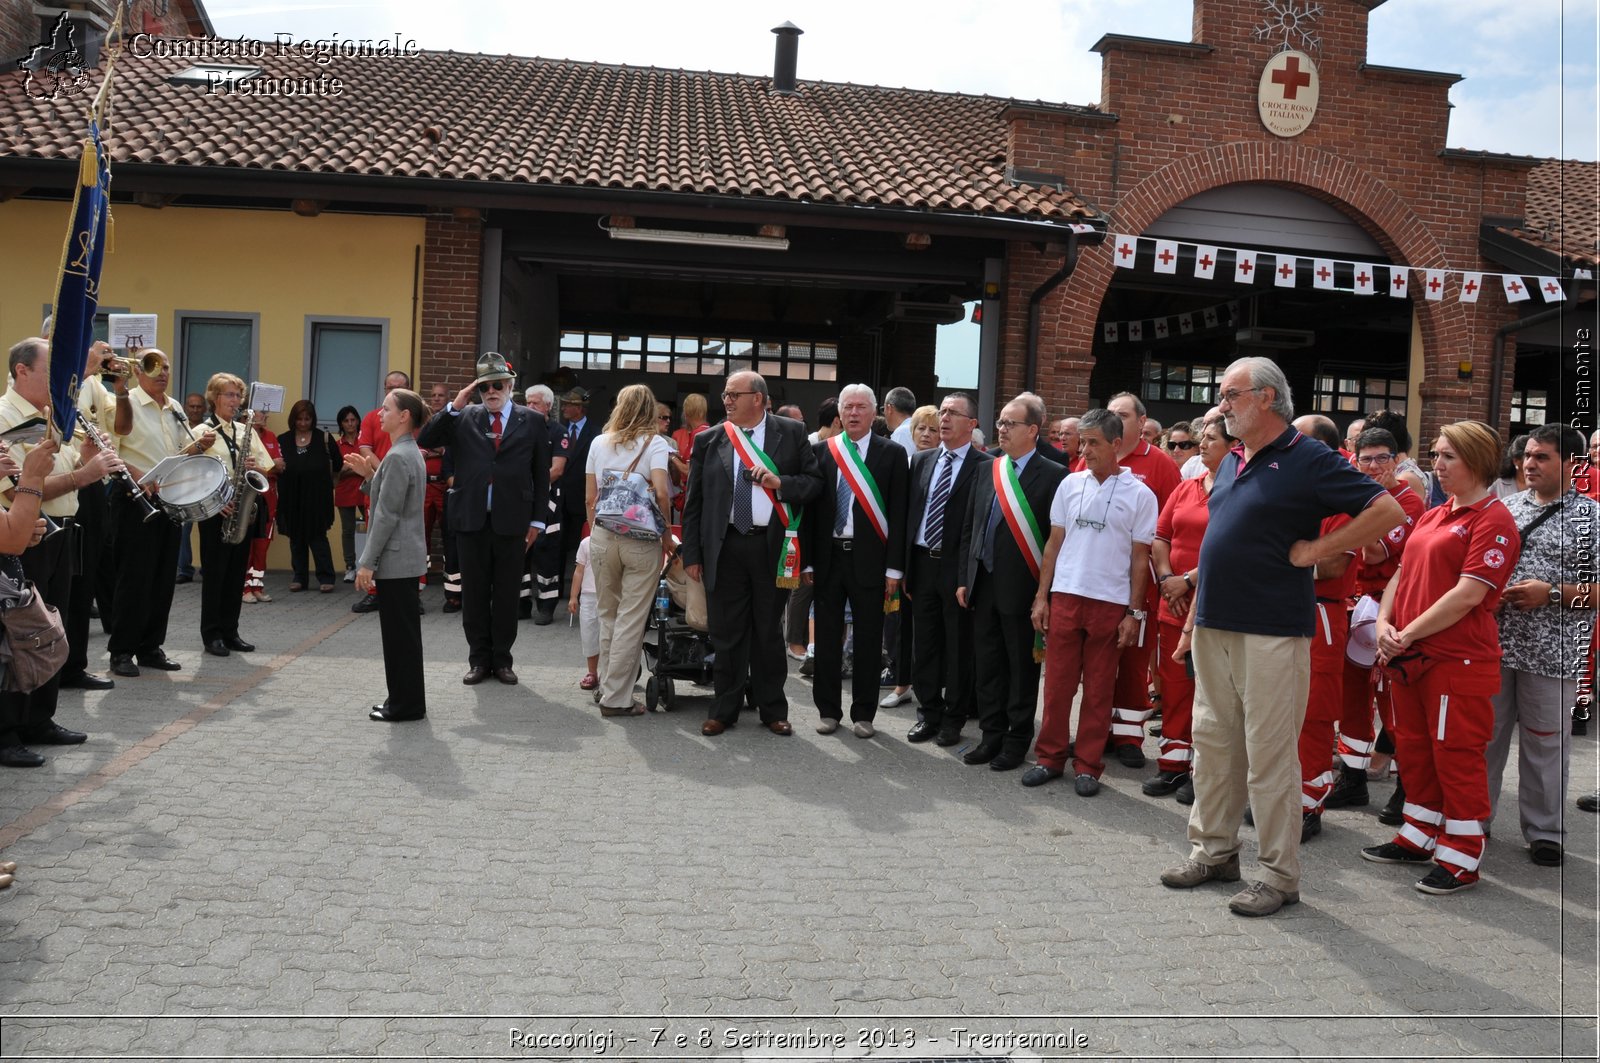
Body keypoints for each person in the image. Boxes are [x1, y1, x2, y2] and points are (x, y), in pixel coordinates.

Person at [1159, 357, 1403, 917]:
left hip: (1271, 631)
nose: (1222, 405)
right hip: (1216, 625)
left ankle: (1279, 876)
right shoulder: (1235, 459)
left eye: (1231, 394)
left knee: (1269, 755)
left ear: (1267, 398)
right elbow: (1227, 544)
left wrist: (1317, 553)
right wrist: (1195, 611)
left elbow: (1385, 509)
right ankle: (1214, 852)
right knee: (1214, 746)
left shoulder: (1308, 456)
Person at [1362, 420, 1520, 895]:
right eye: (1436, 454)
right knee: (1413, 747)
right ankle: (1419, 833)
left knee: (1457, 757)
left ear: (1476, 460)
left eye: (1448, 455)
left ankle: (1462, 856)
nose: (1438, 464)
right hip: (1412, 655)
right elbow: (1401, 574)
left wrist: (1403, 633)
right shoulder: (1435, 514)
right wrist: (1385, 624)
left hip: (1457, 661)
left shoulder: (1493, 519)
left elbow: (1468, 594)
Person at [0, 338, 120, 766]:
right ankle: (7, 730)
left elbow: (66, 470)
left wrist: (87, 458)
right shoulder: (5, 417)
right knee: (19, 636)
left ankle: (40, 719)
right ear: (21, 372)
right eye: (51, 371)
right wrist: (83, 476)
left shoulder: (52, 416)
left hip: (60, 531)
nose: (60, 381)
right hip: (24, 535)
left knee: (53, 627)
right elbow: (18, 489)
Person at [682, 371, 822, 737]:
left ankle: (772, 708)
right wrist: (693, 553)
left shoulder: (790, 434)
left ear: (757, 398)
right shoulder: (710, 439)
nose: (725, 400)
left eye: (733, 394)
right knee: (726, 634)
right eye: (725, 394)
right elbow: (694, 503)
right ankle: (723, 710)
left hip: (771, 547)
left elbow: (814, 484)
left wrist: (781, 484)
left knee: (767, 633)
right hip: (725, 547)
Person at [1025, 408, 1157, 793]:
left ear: (1117, 444)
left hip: (1110, 602)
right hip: (1066, 596)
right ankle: (1049, 758)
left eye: (1093, 443)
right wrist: (1042, 597)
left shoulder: (1140, 494)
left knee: (1099, 690)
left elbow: (1140, 558)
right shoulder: (1069, 484)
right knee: (1057, 687)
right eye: (1082, 442)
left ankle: (1087, 765)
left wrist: (1133, 612)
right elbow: (1054, 544)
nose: (1084, 450)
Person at [1484, 424, 1596, 868]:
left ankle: (1546, 832)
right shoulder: (1504, 509)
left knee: (1546, 746)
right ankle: (1475, 821)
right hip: (1494, 645)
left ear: (1572, 463)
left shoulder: (1591, 520)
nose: (1529, 464)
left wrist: (1549, 592)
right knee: (1485, 739)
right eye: (1526, 456)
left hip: (1555, 654)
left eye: (1542, 457)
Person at [417, 353, 551, 686]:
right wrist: (456, 404)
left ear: (510, 385)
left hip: (512, 521)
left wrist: (537, 522)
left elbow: (541, 475)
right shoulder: (464, 416)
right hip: (470, 519)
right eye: (484, 386)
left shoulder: (531, 421)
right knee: (474, 594)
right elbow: (427, 439)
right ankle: (478, 660)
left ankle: (502, 661)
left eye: (498, 385)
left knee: (507, 595)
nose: (491, 391)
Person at [956, 394, 1066, 767]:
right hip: (983, 584)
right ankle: (991, 736)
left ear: (1033, 430)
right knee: (987, 665)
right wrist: (964, 578)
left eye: (1010, 423)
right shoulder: (989, 468)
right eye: (1000, 422)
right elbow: (970, 527)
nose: (1001, 429)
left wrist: (1044, 594)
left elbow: (1056, 538)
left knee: (1020, 668)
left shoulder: (1054, 475)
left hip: (1022, 589)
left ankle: (1017, 741)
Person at [1327, 427, 1425, 817]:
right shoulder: (1356, 492)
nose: (1372, 467)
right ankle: (1352, 780)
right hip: (1356, 606)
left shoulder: (1408, 501)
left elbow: (1373, 549)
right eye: (1364, 459)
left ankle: (1408, 787)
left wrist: (1363, 510)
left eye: (1381, 458)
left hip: (1391, 609)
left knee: (1393, 701)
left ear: (1397, 459)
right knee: (1352, 699)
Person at [805, 384, 908, 738]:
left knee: (867, 640)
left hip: (871, 561)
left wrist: (895, 568)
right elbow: (811, 513)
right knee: (828, 640)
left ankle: (864, 714)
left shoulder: (892, 454)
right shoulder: (822, 452)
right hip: (829, 557)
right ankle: (828, 711)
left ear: (874, 412)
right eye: (848, 407)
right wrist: (806, 563)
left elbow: (899, 513)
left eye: (861, 408)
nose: (853, 414)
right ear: (840, 413)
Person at [1146, 414, 1233, 802]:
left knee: (1211, 693)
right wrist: (1167, 580)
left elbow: (1229, 549)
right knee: (1177, 688)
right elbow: (1161, 536)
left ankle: (1205, 773)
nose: (1202, 445)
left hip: (1215, 604)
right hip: (1174, 603)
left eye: (1211, 439)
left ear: (1234, 447)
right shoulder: (1186, 488)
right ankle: (1172, 765)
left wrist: (1189, 581)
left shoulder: (1238, 490)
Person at [108, 348, 207, 678]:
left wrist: (199, 446)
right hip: (134, 499)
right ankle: (121, 650)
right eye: (154, 367)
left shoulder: (175, 407)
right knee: (133, 577)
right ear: (138, 371)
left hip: (168, 501)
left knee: (163, 578)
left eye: (166, 366)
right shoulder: (125, 403)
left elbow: (179, 451)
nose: (163, 372)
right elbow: (111, 452)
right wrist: (139, 475)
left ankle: (150, 647)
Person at [1288, 414, 1362, 841]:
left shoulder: (1340, 491)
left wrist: (1283, 561)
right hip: (1286, 606)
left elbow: (1335, 564)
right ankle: (1282, 797)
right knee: (1280, 711)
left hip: (1322, 614)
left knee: (1313, 714)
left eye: (1298, 439)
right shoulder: (1296, 486)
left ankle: (1309, 803)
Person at [904, 394, 992, 745]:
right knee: (923, 644)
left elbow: (979, 524)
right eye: (941, 411)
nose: (943, 418)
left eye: (953, 413)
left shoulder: (984, 466)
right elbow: (910, 516)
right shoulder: (921, 461)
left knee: (958, 647)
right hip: (922, 563)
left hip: (957, 570)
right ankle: (928, 713)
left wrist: (966, 576)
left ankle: (954, 718)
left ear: (971, 425)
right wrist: (905, 568)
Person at [584, 384, 674, 716]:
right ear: (650, 410)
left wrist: (596, 530)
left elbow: (590, 498)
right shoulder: (656, 443)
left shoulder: (598, 442)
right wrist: (665, 533)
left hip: (603, 536)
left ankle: (608, 686)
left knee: (608, 615)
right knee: (632, 620)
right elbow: (662, 492)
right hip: (642, 539)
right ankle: (616, 699)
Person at [1103, 392, 1182, 767]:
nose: (1115, 420)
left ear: (1142, 420)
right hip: (1097, 579)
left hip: (1141, 582)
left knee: (1134, 661)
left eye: (1123, 415)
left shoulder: (1162, 465)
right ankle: (1096, 729)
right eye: (1111, 414)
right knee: (1097, 661)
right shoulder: (1094, 454)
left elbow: (1171, 527)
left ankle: (1129, 738)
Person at [356, 388, 429, 722]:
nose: (379, 413)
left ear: (404, 416)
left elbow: (386, 514)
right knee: (403, 637)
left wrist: (366, 563)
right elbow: (392, 496)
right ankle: (402, 700)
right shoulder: (404, 451)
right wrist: (370, 475)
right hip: (404, 557)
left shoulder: (400, 455)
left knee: (400, 639)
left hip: (397, 558)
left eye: (386, 408)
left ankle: (405, 705)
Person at [191, 374, 272, 657]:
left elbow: (266, 469)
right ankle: (211, 634)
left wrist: (254, 466)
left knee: (237, 573)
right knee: (215, 575)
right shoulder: (203, 430)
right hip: (215, 511)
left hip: (241, 509)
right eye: (229, 395)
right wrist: (216, 502)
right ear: (214, 397)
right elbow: (195, 474)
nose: (235, 401)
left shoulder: (244, 430)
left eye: (238, 396)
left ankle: (230, 631)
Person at [881, 404, 941, 709]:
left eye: (933, 429)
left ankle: (933, 687)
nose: (926, 435)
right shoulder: (904, 462)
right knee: (900, 624)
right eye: (921, 428)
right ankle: (902, 683)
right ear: (911, 431)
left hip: (934, 557)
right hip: (904, 557)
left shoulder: (941, 465)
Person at [351, 371, 413, 612]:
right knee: (377, 535)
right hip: (378, 484)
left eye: (399, 387)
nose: (393, 391)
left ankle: (412, 593)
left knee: (408, 538)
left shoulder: (413, 417)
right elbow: (365, 448)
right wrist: (382, 473)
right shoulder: (372, 417)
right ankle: (375, 591)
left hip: (404, 487)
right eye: (389, 388)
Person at [276, 399, 339, 593]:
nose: (303, 423)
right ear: (293, 419)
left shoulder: (324, 439)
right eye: (299, 419)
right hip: (291, 497)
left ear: (313, 420)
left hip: (317, 498)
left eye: (307, 419)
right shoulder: (283, 440)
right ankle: (299, 577)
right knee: (296, 539)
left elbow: (338, 464)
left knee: (318, 537)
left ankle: (326, 576)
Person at [522, 383, 570, 623]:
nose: (529, 406)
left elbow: (558, 468)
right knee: (519, 552)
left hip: (548, 501)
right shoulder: (518, 427)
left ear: (548, 406)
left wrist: (532, 486)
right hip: (521, 500)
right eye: (527, 402)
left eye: (535, 403)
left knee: (546, 552)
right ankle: (520, 604)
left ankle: (546, 606)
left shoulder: (558, 431)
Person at [557, 386, 599, 599]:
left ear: (579, 408)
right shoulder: (558, 429)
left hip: (582, 499)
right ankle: (555, 591)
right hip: (557, 500)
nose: (563, 407)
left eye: (568, 404)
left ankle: (581, 590)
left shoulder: (596, 433)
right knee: (556, 547)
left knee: (580, 546)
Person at [242, 408, 284, 605]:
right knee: (246, 545)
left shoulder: (270, 436)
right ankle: (244, 587)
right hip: (248, 497)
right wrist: (267, 467)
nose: (266, 416)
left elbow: (280, 466)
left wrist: (262, 467)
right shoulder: (241, 432)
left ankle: (257, 585)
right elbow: (245, 467)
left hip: (269, 498)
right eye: (261, 412)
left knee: (262, 545)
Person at [176, 390, 208, 583]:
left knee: (207, 530)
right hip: (184, 483)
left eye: (199, 406)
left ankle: (207, 568)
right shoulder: (179, 427)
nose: (195, 410)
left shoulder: (209, 428)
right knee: (183, 529)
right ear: (185, 407)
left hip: (205, 483)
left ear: (204, 408)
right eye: (191, 406)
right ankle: (185, 570)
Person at [332, 406, 365, 583]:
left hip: (365, 489)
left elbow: (370, 467)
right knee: (347, 530)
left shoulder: (365, 441)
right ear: (341, 424)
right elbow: (336, 473)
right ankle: (350, 566)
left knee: (373, 526)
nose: (350, 423)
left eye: (353, 420)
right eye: (346, 421)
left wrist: (349, 468)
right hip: (345, 491)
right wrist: (355, 469)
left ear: (358, 421)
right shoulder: (337, 446)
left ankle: (369, 565)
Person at [422, 384, 451, 579]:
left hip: (444, 485)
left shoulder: (452, 421)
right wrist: (438, 450)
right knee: (421, 533)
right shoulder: (424, 421)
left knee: (449, 532)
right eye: (433, 396)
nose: (436, 399)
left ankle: (450, 573)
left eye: (441, 396)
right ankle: (421, 573)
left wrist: (438, 450)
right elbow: (420, 449)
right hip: (424, 486)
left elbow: (450, 451)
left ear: (448, 398)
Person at [569, 533, 599, 691]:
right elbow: (578, 571)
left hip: (610, 596)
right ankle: (592, 672)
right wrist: (574, 596)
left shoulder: (617, 541)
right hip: (588, 596)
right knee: (589, 635)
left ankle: (609, 673)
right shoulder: (586, 543)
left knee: (609, 637)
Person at [883, 386, 917, 453]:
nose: (883, 413)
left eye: (883, 409)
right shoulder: (915, 428)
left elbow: (901, 463)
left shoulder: (902, 432)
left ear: (889, 408)